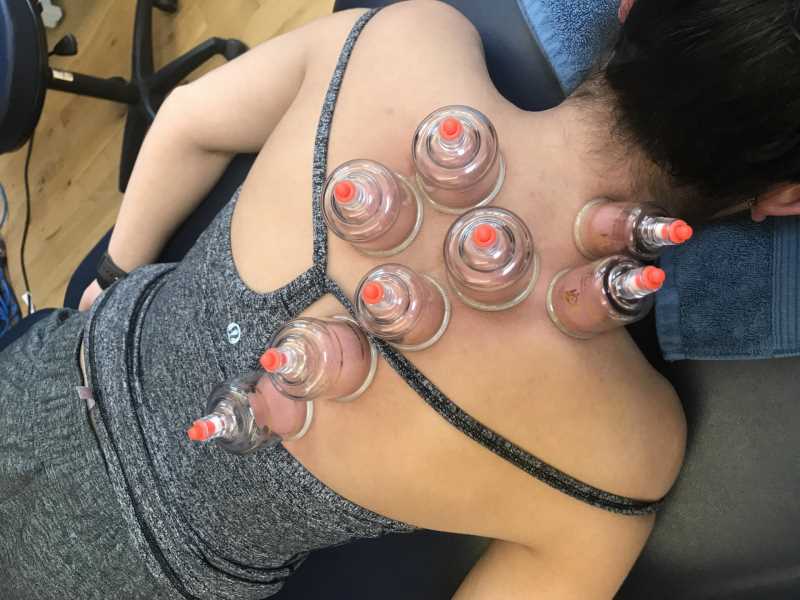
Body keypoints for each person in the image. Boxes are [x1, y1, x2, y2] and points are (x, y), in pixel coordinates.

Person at [2, 1, 799, 598]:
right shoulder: (626, 452)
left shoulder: (403, 41)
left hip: (38, 372)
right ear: (786, 197)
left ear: (624, 6)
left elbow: (186, 121)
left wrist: (108, 281)